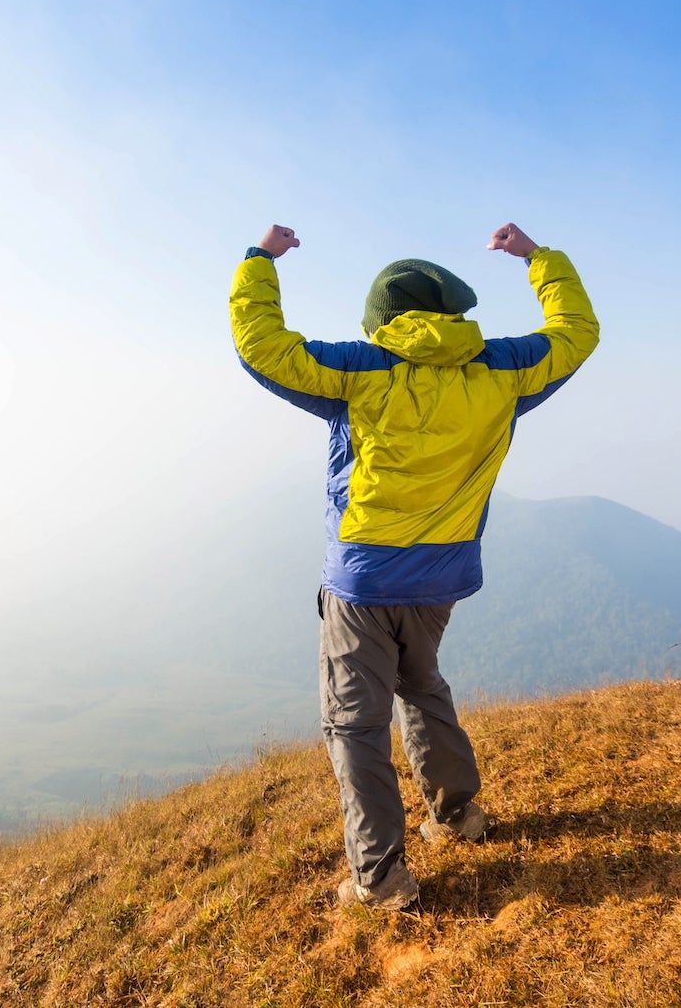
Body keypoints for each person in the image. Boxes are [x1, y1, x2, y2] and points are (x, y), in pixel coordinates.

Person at [228, 221, 600, 910]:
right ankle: (458, 813)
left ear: (382, 320)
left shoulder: (360, 370)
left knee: (355, 723)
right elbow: (577, 332)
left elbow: (262, 348)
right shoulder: (501, 369)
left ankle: (380, 877)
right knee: (421, 682)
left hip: (364, 581)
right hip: (442, 577)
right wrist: (537, 258)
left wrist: (261, 259)